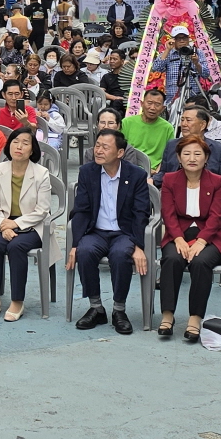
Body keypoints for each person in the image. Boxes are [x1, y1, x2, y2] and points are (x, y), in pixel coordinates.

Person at [71, 127, 152, 333]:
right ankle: (96, 308)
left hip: (123, 233)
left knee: (120, 254)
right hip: (95, 231)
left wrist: (138, 245)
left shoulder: (136, 175)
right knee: (85, 251)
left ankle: (119, 309)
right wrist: (74, 244)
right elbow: (81, 210)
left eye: (105, 147)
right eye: (97, 145)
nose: (98, 151)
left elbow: (140, 213)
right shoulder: (87, 172)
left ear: (120, 153)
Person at [157, 135, 221, 342]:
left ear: (206, 158)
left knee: (200, 262)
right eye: (186, 154)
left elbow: (217, 216)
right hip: (178, 232)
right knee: (172, 259)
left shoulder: (217, 181)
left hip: (210, 235)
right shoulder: (170, 180)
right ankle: (167, 315)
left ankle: (195, 318)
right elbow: (168, 214)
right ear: (178, 158)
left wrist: (201, 241)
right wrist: (178, 239)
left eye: (198, 154)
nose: (192, 158)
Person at [0, 127, 53, 322]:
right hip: (3, 222)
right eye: (15, 141)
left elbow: (42, 210)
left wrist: (14, 225)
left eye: (25, 143)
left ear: (32, 150)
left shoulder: (41, 173)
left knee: (17, 246)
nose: (19, 146)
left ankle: (17, 301)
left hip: (33, 225)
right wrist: (3, 225)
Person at [120, 85, 176, 165]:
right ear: (142, 104)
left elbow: (170, 154)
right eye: (149, 103)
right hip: (130, 168)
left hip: (155, 172)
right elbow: (119, 149)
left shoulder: (167, 128)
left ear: (163, 108)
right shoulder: (127, 122)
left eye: (157, 104)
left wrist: (158, 171)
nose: (152, 108)